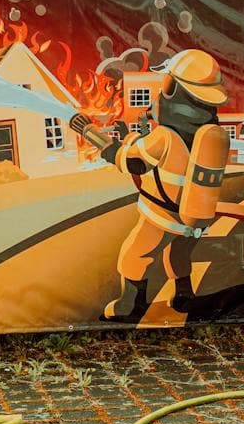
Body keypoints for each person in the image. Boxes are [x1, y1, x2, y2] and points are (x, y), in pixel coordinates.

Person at [75, 49, 229, 323]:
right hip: (193, 217)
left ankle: (130, 306)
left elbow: (133, 162)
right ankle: (184, 296)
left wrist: (91, 134)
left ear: (172, 88)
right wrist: (131, 137)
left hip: (162, 217)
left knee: (135, 254)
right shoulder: (211, 135)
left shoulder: (165, 136)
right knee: (179, 255)